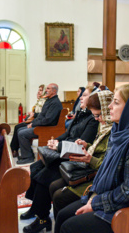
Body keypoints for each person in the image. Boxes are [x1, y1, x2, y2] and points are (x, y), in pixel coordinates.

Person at [54, 84, 129, 233]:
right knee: (63, 215)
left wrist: (96, 203)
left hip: (128, 209)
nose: (109, 106)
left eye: (116, 102)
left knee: (68, 226)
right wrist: (94, 197)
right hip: (109, 196)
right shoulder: (119, 132)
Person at [20, 86, 99, 233]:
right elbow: (67, 134)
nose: (80, 98)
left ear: (94, 100)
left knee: (44, 175)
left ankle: (42, 219)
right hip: (64, 151)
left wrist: (59, 145)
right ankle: (35, 208)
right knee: (35, 167)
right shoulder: (81, 114)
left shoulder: (93, 120)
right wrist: (54, 141)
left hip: (74, 158)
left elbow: (82, 142)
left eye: (84, 96)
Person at [50, 90, 114, 220]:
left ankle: (63, 223)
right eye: (95, 116)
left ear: (108, 109)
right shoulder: (103, 126)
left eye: (98, 115)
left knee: (59, 196)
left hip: (96, 176)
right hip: (90, 168)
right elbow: (99, 148)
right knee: (53, 186)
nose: (97, 119)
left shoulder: (114, 131)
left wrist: (89, 158)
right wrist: (87, 145)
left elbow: (108, 164)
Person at [16, 83, 62, 164]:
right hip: (44, 126)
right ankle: (26, 154)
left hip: (48, 128)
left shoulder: (55, 103)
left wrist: (33, 124)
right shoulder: (49, 100)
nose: (46, 91)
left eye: (48, 89)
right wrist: (33, 123)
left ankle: (28, 157)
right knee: (20, 129)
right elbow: (41, 116)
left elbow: (48, 120)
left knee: (22, 133)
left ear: (54, 91)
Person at [10, 84, 47, 157]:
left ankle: (14, 149)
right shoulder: (40, 100)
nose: (39, 92)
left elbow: (41, 114)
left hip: (37, 122)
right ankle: (14, 148)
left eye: (41, 90)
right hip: (34, 120)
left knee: (18, 128)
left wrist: (33, 114)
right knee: (18, 127)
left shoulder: (45, 101)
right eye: (38, 90)